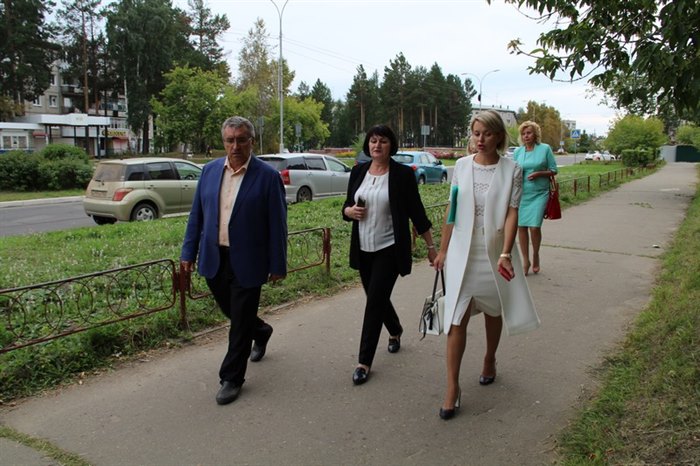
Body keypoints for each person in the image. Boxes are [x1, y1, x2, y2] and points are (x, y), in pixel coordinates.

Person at [433, 110, 539, 420]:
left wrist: (506, 252)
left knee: (494, 310)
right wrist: (442, 250)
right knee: (456, 318)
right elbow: (452, 210)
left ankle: (490, 358)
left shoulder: (512, 169)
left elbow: (512, 212)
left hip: (493, 252)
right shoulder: (462, 167)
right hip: (462, 252)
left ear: (499, 136)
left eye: (487, 133)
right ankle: (452, 387)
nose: (480, 139)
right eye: (476, 133)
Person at [180, 116, 288, 405]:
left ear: (252, 141)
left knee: (239, 323)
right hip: (215, 257)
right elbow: (196, 215)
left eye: (241, 140)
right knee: (234, 312)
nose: (235, 146)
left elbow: (277, 224)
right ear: (223, 142)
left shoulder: (267, 177)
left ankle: (231, 377)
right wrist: (188, 252)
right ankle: (261, 331)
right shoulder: (210, 171)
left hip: (250, 260)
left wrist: (278, 263)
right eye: (230, 140)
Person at [342, 125, 437, 386]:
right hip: (363, 248)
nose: (377, 145)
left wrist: (431, 248)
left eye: (382, 141)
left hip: (390, 248)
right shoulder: (359, 171)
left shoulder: (402, 175)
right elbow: (347, 205)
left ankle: (363, 362)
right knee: (377, 297)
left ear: (390, 145)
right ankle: (395, 329)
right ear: (368, 145)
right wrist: (349, 212)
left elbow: (417, 212)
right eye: (373, 141)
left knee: (374, 302)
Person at [512, 121, 558, 275]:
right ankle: (525, 260)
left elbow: (554, 170)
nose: (526, 136)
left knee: (534, 226)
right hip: (522, 194)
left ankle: (536, 254)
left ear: (535, 134)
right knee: (521, 226)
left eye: (529, 133)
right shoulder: (518, 152)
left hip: (540, 193)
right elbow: (513, 170)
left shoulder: (545, 149)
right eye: (523, 133)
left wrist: (539, 173)